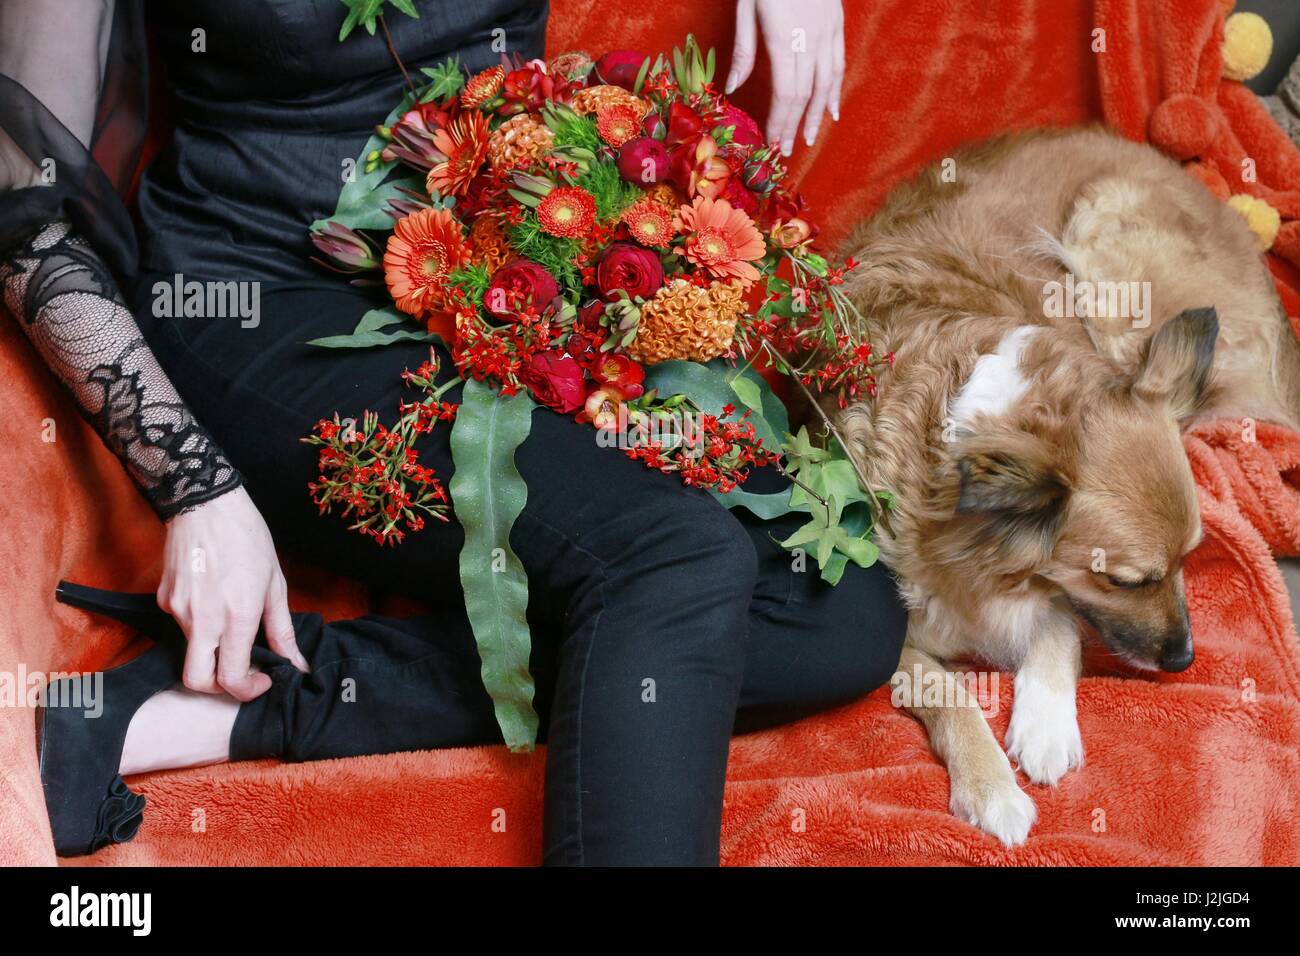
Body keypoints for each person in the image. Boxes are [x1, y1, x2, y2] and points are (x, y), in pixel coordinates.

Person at [1, 0, 903, 866]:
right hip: (257, 302)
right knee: (675, 560)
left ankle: (248, 703)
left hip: (502, 282)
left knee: (842, 604)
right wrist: (195, 485)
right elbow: (23, 215)